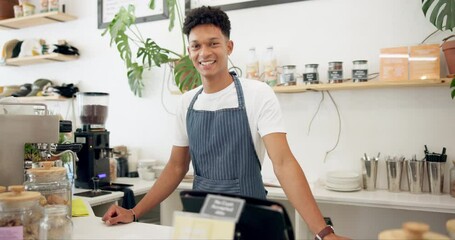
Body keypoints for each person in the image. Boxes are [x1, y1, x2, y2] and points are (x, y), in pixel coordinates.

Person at [102, 6, 349, 240]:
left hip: (249, 219)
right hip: (201, 223)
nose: (204, 53)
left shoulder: (257, 94)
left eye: (213, 44)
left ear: (228, 47)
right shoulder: (187, 102)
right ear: (189, 51)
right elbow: (176, 167)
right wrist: (134, 212)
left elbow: (283, 163)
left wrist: (323, 232)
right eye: (196, 46)